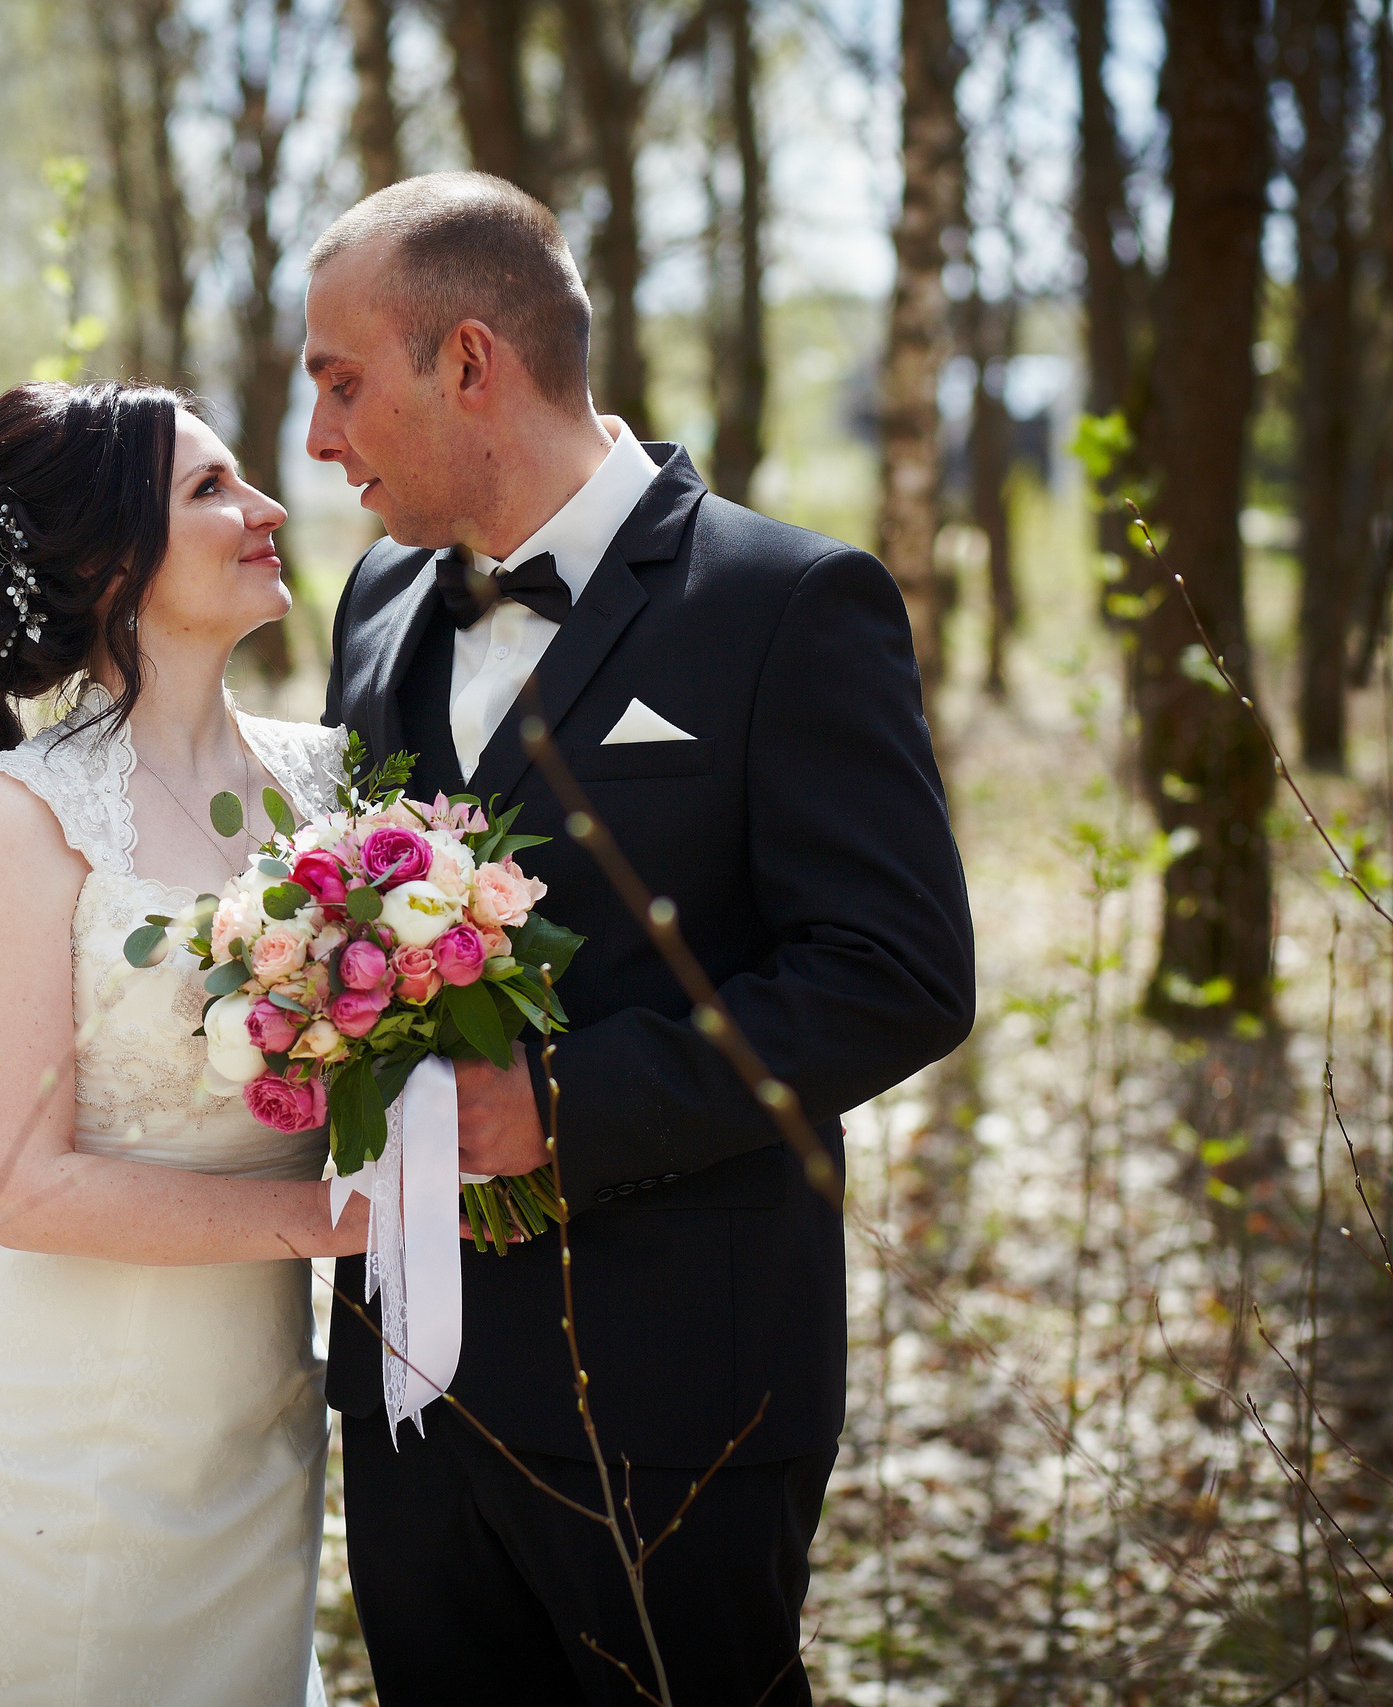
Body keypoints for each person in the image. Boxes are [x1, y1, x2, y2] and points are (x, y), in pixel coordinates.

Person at [304, 173, 976, 1704]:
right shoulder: (377, 600)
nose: (323, 440)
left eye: (343, 385)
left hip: (680, 1392)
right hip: (409, 1387)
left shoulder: (790, 603)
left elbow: (898, 973)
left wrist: (558, 1109)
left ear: (469, 361)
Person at [0, 380, 366, 1706]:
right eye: (210, 490)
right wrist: (354, 1223)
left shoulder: (342, 789)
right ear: (116, 563)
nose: (267, 508)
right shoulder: (20, 815)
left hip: (252, 1411)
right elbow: (19, 1187)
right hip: (48, 1421)